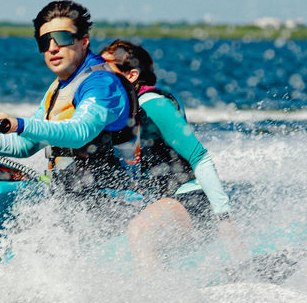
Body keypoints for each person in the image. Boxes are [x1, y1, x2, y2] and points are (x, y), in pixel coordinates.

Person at [0, 0, 140, 204]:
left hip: (113, 206)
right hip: (71, 203)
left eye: (62, 38)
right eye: (44, 41)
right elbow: (24, 145)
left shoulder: (102, 83)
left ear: (83, 42)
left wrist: (17, 124)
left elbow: (79, 133)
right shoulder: (58, 87)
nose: (52, 47)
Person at [99, 39, 248, 272]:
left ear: (131, 75)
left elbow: (200, 157)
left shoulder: (154, 104)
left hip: (192, 201)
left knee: (140, 231)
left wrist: (224, 218)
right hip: (163, 204)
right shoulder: (118, 112)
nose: (99, 76)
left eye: (106, 69)